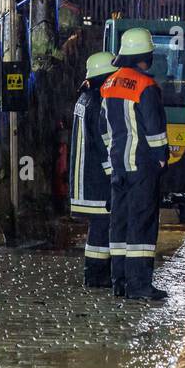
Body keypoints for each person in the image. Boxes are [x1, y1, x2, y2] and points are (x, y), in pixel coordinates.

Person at [101, 27, 170, 301]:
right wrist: (162, 155)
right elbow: (154, 128)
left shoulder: (108, 84)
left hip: (118, 166)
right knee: (142, 224)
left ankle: (119, 281)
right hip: (142, 165)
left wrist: (112, 160)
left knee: (119, 223)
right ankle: (139, 285)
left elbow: (104, 129)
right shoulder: (146, 86)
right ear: (145, 56)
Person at [70, 51, 117, 288]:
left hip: (83, 177)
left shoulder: (84, 98)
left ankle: (93, 274)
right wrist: (114, 174)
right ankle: (97, 276)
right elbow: (103, 142)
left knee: (97, 228)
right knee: (102, 227)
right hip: (96, 178)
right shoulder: (99, 100)